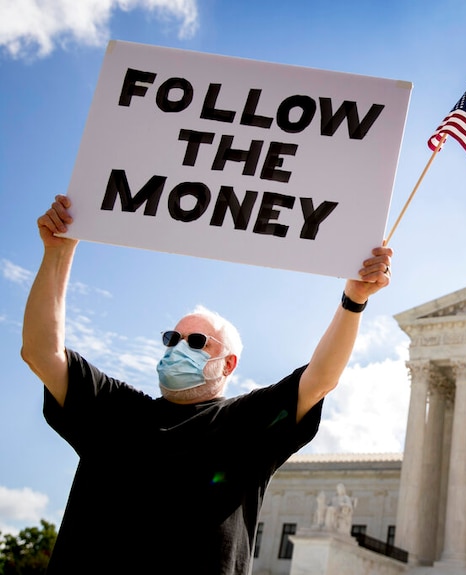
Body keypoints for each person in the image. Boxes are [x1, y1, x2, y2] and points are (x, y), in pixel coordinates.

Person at [20, 194, 393, 574]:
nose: (179, 348)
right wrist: (58, 251)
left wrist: (354, 300)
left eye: (196, 342)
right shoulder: (117, 410)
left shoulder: (246, 423)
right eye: (172, 339)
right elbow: (40, 352)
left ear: (228, 363)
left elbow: (319, 380)